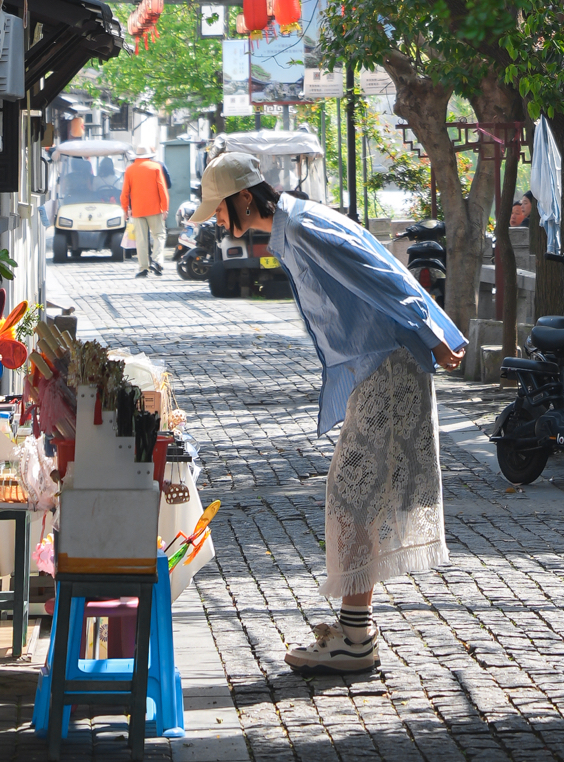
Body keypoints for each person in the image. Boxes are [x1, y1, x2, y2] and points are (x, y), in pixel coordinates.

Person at [191, 149, 465, 676]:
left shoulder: (304, 227)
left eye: (220, 211)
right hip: (378, 365)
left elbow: (380, 275)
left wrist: (436, 331)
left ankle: (355, 638)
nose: (218, 224)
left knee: (353, 496)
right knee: (355, 496)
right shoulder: (295, 224)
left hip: (388, 364)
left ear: (243, 197)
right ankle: (355, 632)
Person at [120, 141, 171, 279]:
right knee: (159, 235)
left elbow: (125, 192)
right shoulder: (155, 167)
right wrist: (165, 207)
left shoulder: (130, 169)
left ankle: (143, 268)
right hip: (155, 209)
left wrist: (125, 210)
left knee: (141, 240)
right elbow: (162, 188)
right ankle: (157, 261)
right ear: (149, 155)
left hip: (137, 210)